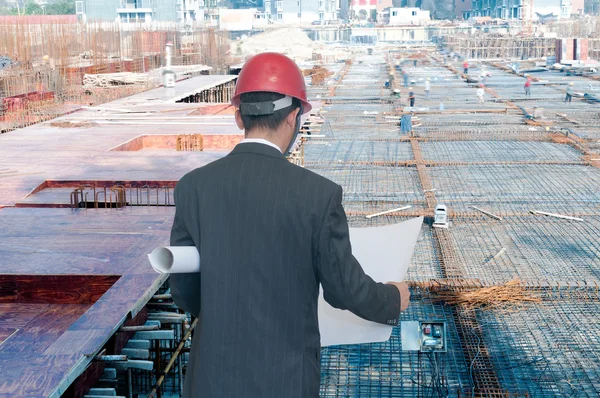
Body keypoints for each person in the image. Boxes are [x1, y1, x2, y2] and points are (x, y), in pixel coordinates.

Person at [169, 52, 410, 398]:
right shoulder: (317, 195)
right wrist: (391, 299)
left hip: (211, 380)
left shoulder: (193, 187)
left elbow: (185, 292)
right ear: (294, 116)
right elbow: (344, 288)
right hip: (283, 381)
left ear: (239, 117)